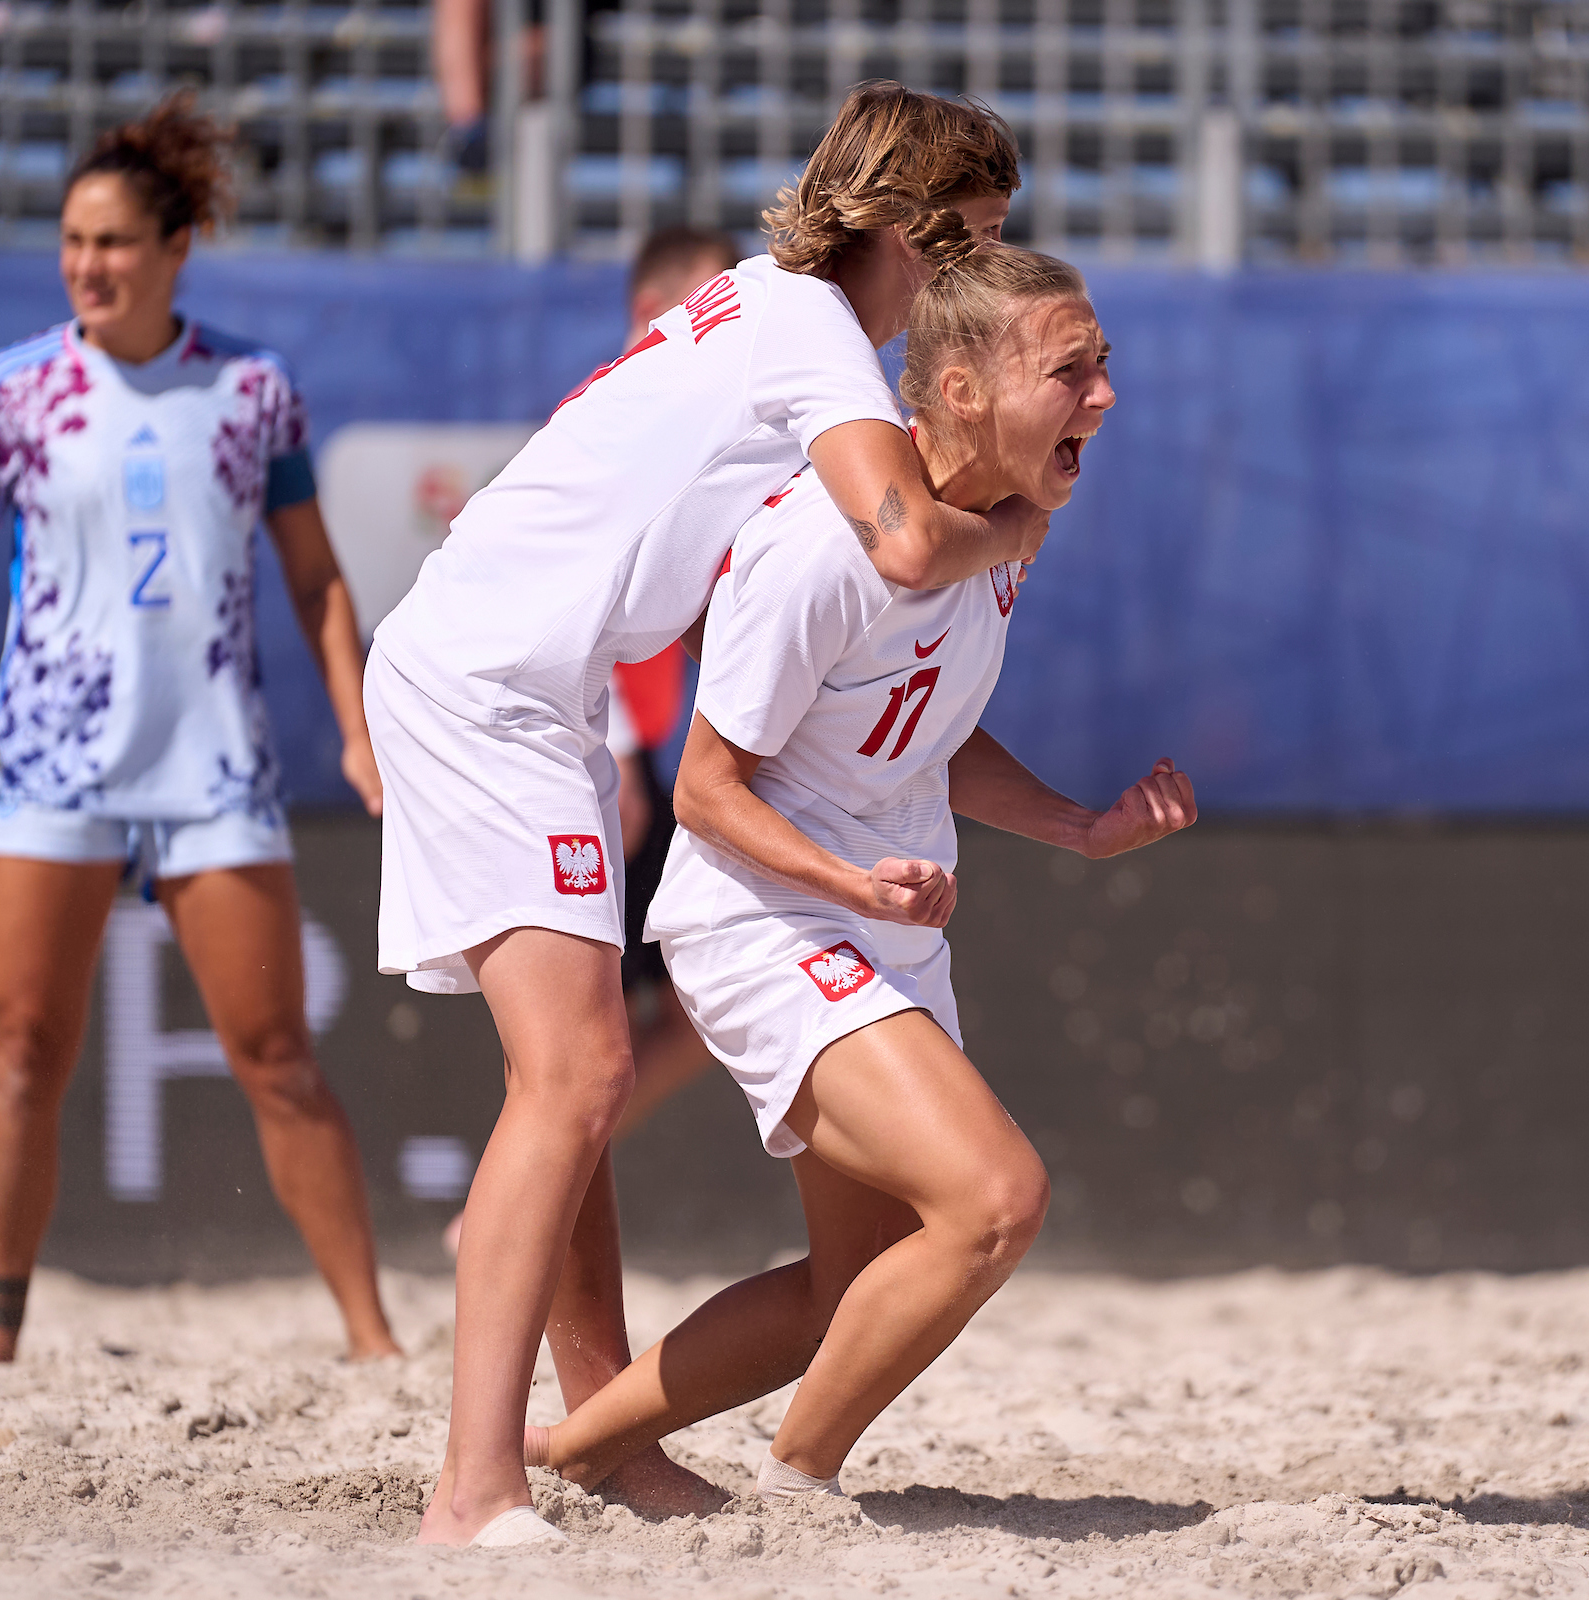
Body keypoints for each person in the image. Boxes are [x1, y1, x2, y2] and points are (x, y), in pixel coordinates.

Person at [366, 82, 1048, 1546]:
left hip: (508, 669)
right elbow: (911, 536)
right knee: (576, 1080)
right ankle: (473, 1487)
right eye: (979, 237)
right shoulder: (821, 346)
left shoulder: (769, 307)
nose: (991, 271)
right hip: (495, 681)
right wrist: (1023, 520)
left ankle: (594, 1439)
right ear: (906, 229)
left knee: (572, 1086)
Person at [522, 244, 1196, 1503]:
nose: (1105, 395)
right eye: (1071, 370)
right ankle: (799, 1488)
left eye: (1104, 364)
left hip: (869, 913)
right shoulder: (824, 547)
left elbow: (928, 734)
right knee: (995, 1199)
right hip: (766, 911)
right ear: (957, 394)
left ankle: (568, 1448)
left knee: (855, 1278)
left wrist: (1081, 828)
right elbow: (705, 790)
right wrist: (849, 883)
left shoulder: (1006, 528)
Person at [0, 92, 400, 1366]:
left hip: (213, 766)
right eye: (73, 241)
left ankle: (373, 1341)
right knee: (25, 1050)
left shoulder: (254, 391)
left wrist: (356, 726)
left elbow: (316, 580)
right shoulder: (17, 389)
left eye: (116, 242)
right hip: (50, 763)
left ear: (176, 246)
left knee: (278, 1058)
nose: (89, 265)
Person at [438, 224, 742, 1256]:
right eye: (706, 304)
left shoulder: (692, 418)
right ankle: (512, 1212)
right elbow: (565, 605)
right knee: (571, 1048)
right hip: (579, 750)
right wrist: (610, 756)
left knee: (657, 1030)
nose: (725, 327)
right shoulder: (623, 416)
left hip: (630, 755)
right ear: (653, 309)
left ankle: (524, 1201)